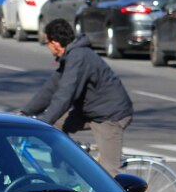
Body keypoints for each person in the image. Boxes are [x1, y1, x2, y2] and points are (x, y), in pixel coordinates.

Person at [20, 19, 134, 175]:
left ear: (55, 43)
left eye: (47, 43)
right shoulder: (70, 56)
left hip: (110, 116)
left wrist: (44, 123)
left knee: (110, 171)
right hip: (90, 111)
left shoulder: (79, 57)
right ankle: (68, 173)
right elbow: (50, 88)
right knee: (56, 126)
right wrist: (25, 112)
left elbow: (65, 94)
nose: (48, 47)